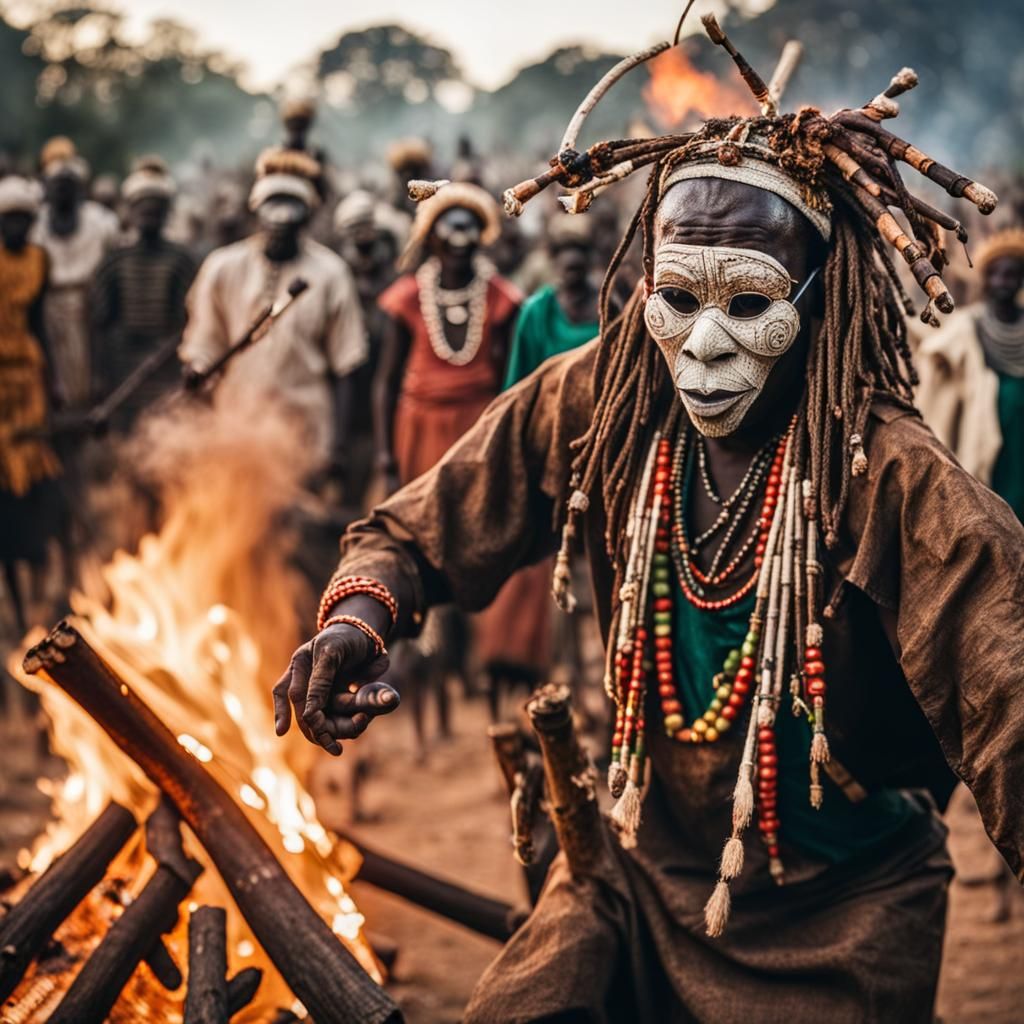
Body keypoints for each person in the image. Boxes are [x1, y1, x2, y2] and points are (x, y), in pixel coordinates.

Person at [274, 19, 1023, 1023]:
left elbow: (1005, 672)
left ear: (818, 296)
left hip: (846, 905)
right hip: (629, 872)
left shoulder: (881, 469)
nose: (704, 345)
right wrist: (354, 623)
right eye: (677, 297)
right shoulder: (601, 401)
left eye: (749, 303)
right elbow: (414, 532)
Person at [179, 148, 367, 490]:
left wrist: (337, 448)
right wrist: (197, 368)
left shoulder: (331, 273)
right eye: (272, 206)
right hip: (236, 426)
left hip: (305, 433)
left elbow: (347, 365)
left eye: (290, 207)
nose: (280, 217)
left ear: (307, 214)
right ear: (255, 210)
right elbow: (204, 341)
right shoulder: (222, 267)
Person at [916, 227, 1024, 520]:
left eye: (1011, 274)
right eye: (996, 274)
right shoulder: (968, 324)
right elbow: (932, 346)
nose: (1002, 281)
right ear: (986, 279)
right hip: (983, 424)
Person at [90, 156, 197, 432]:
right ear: (131, 210)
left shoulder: (180, 260)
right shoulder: (115, 261)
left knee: (165, 435)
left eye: (156, 211)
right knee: (127, 436)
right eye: (143, 210)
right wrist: (100, 373)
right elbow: (101, 322)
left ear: (166, 213)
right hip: (122, 365)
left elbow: (191, 320)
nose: (149, 217)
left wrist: (172, 352)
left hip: (166, 365)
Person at [0, 177, 63, 632]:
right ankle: (15, 600)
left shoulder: (41, 260)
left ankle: (40, 589)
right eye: (10, 220)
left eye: (25, 219)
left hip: (30, 377)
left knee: (35, 479)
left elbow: (40, 324)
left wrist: (54, 380)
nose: (18, 227)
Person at [31, 136, 120, 409]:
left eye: (68, 185)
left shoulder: (101, 222)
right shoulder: (36, 224)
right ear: (47, 187)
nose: (62, 191)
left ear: (79, 187)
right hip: (48, 308)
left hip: (91, 307)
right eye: (56, 185)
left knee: (91, 382)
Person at [503, 216, 600, 389]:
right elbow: (519, 378)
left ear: (589, 258)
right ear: (553, 260)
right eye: (563, 250)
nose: (571, 257)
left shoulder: (607, 306)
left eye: (578, 249)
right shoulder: (537, 311)